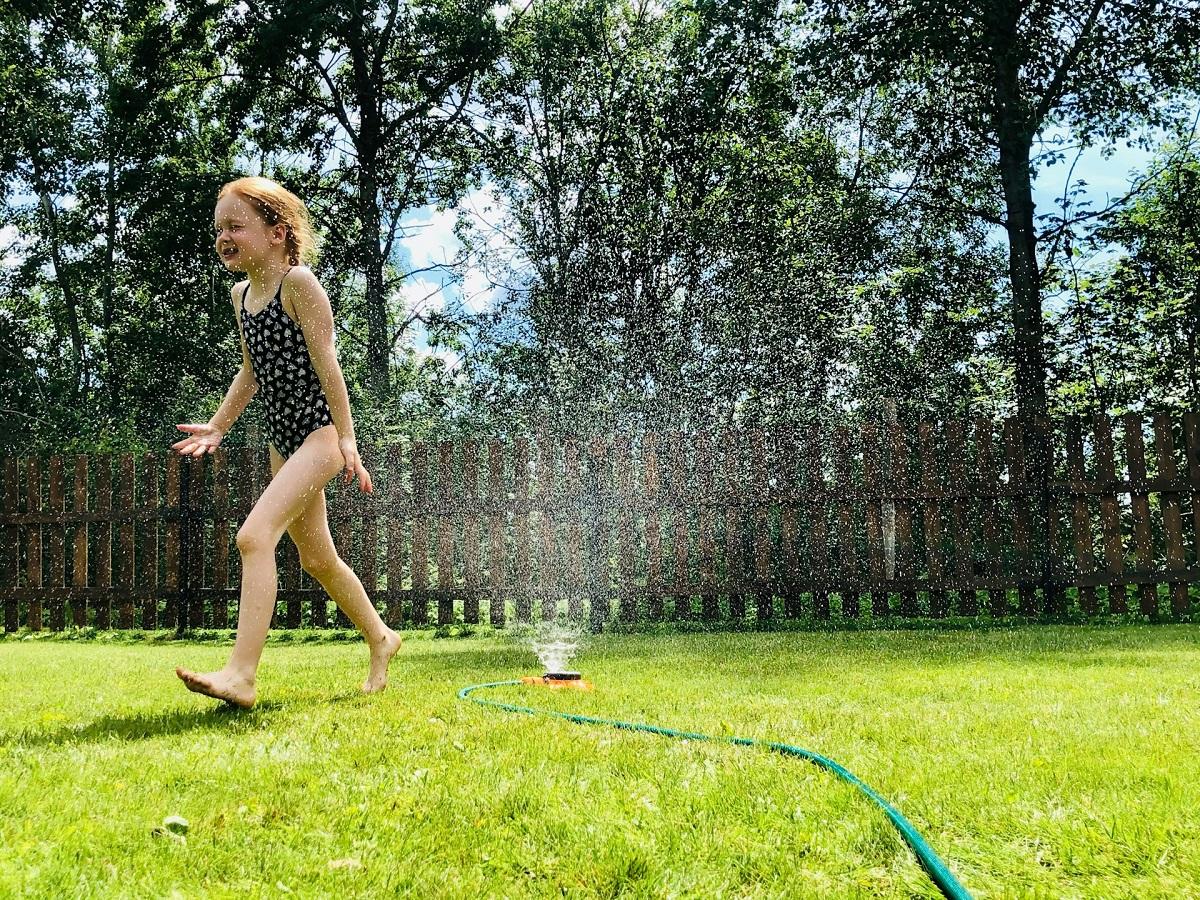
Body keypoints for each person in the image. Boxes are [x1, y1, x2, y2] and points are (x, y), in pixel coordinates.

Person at [171, 175, 402, 709]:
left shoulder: (299, 284)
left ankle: (241, 675)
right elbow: (251, 372)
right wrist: (219, 425)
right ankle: (382, 637)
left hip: (319, 436)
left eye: (236, 226)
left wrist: (347, 439)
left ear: (276, 231)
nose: (223, 237)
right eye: (219, 229)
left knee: (254, 537)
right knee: (317, 558)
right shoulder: (241, 295)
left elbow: (329, 367)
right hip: (283, 440)